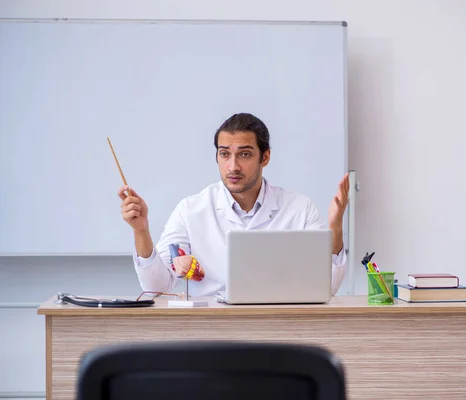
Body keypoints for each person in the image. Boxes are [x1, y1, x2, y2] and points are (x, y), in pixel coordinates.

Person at [118, 113, 349, 297]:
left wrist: (336, 228)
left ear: (265, 157)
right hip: (212, 333)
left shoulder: (299, 208)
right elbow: (157, 286)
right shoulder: (190, 210)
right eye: (225, 154)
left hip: (278, 329)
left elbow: (326, 287)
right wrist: (141, 231)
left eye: (245, 154)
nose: (233, 166)